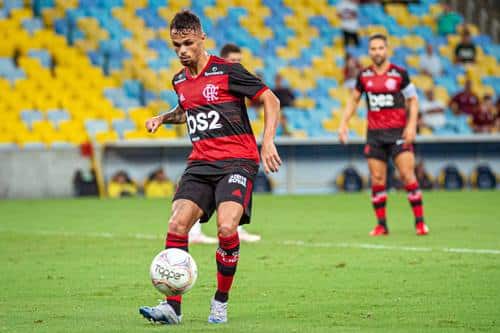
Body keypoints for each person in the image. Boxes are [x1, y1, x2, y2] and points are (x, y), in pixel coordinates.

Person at [139, 10, 281, 325]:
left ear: (202, 38)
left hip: (237, 161)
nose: (182, 51)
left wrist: (267, 141)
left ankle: (220, 301)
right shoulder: (178, 80)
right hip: (201, 163)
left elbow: (271, 99)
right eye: (176, 46)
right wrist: (163, 117)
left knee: (227, 229)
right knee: (177, 224)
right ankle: (171, 307)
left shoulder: (229, 71)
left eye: (188, 43)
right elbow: (186, 108)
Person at [338, 34, 429, 236]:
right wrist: (343, 124)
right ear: (369, 51)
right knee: (378, 179)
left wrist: (412, 125)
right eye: (373, 48)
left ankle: (420, 223)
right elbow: (353, 100)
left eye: (380, 48)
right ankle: (382, 225)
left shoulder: (400, 74)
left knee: (407, 175)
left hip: (398, 133)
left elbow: (413, 100)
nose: (377, 52)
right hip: (375, 135)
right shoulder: (364, 76)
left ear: (386, 50)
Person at [188, 42, 263, 244]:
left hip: (233, 149)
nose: (237, 64)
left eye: (239, 60)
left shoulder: (235, 80)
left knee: (232, 187)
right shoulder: (209, 78)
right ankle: (194, 231)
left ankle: (234, 228)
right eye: (233, 60)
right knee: (201, 189)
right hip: (207, 146)